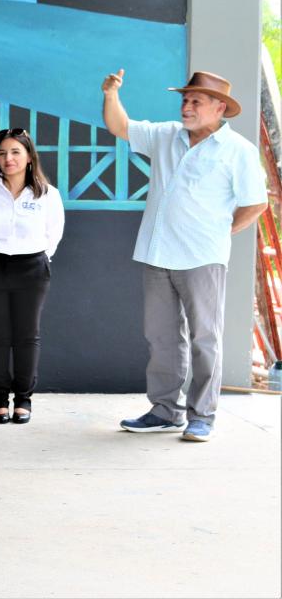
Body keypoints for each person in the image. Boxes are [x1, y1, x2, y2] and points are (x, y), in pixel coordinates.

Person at [102, 69, 267, 441]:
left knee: (204, 338)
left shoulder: (238, 151)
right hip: (157, 252)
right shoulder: (165, 135)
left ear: (219, 108)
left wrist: (220, 232)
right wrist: (111, 94)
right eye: (184, 100)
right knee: (161, 337)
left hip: (202, 257)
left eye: (195, 101)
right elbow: (120, 126)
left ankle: (202, 416)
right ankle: (165, 411)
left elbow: (254, 204)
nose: (186, 107)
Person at [0, 128, 65, 424]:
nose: (8, 159)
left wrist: (37, 258)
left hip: (32, 268)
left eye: (15, 152)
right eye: (2, 153)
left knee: (27, 335)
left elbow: (54, 234)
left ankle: (23, 398)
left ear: (29, 157)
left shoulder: (47, 194)